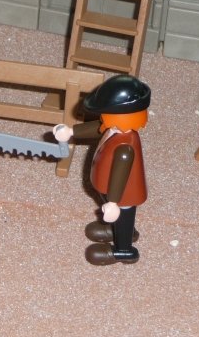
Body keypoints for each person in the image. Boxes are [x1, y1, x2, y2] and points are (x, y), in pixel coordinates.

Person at [54, 75, 150, 265]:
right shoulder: (114, 128)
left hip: (123, 195)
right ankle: (118, 229)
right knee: (119, 217)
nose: (103, 117)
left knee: (123, 215)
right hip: (108, 187)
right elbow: (98, 128)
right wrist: (71, 132)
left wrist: (114, 203)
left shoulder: (125, 147)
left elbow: (120, 177)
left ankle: (124, 250)